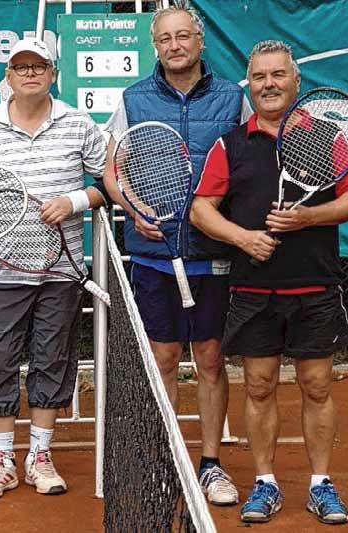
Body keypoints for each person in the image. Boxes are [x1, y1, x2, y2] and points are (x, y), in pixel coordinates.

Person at [190, 40, 348, 525]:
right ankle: (265, 483)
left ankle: (320, 484)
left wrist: (308, 217)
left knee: (317, 385)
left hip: (315, 285)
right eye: (259, 76)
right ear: (249, 84)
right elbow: (202, 209)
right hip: (253, 290)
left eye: (278, 75)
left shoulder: (326, 137)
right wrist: (244, 239)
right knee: (259, 385)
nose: (269, 84)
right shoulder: (230, 144)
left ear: (296, 81)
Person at [103, 1, 251, 507]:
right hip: (154, 254)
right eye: (165, 38)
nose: (175, 46)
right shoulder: (133, 99)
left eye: (183, 36)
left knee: (209, 358)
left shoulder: (233, 98)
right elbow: (113, 171)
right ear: (155, 46)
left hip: (213, 254)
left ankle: (210, 464)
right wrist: (133, 207)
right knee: (163, 357)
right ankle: (165, 460)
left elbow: (250, 163)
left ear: (200, 41)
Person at [0, 38, 107, 501]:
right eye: (20, 67)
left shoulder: (78, 123)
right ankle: (1, 460)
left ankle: (40, 456)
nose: (29, 74)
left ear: (52, 74)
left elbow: (109, 182)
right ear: (8, 76)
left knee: (52, 360)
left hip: (60, 272)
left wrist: (75, 200)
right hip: (1, 272)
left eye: (38, 67)